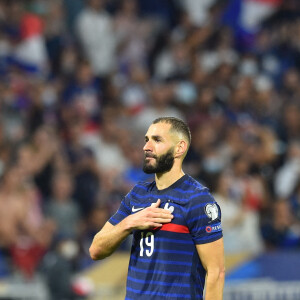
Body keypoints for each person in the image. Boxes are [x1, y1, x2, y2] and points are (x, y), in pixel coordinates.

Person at [89, 117, 225, 299]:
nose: (146, 147)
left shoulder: (198, 200)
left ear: (180, 148)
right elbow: (96, 250)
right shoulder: (138, 194)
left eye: (157, 140)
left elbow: (216, 272)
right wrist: (128, 223)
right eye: (147, 140)